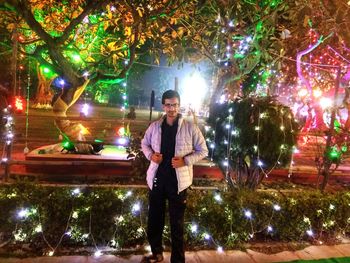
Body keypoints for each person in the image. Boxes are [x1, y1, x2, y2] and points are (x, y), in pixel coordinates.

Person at [141, 90, 208, 263]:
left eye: (175, 105)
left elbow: (203, 150)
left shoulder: (190, 127)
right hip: (157, 180)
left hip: (178, 183)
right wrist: (151, 156)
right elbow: (145, 144)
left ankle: (178, 260)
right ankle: (157, 253)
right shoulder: (155, 126)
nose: (172, 108)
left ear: (179, 105)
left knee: (177, 224)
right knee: (155, 220)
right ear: (163, 106)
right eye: (168, 105)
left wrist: (185, 161)